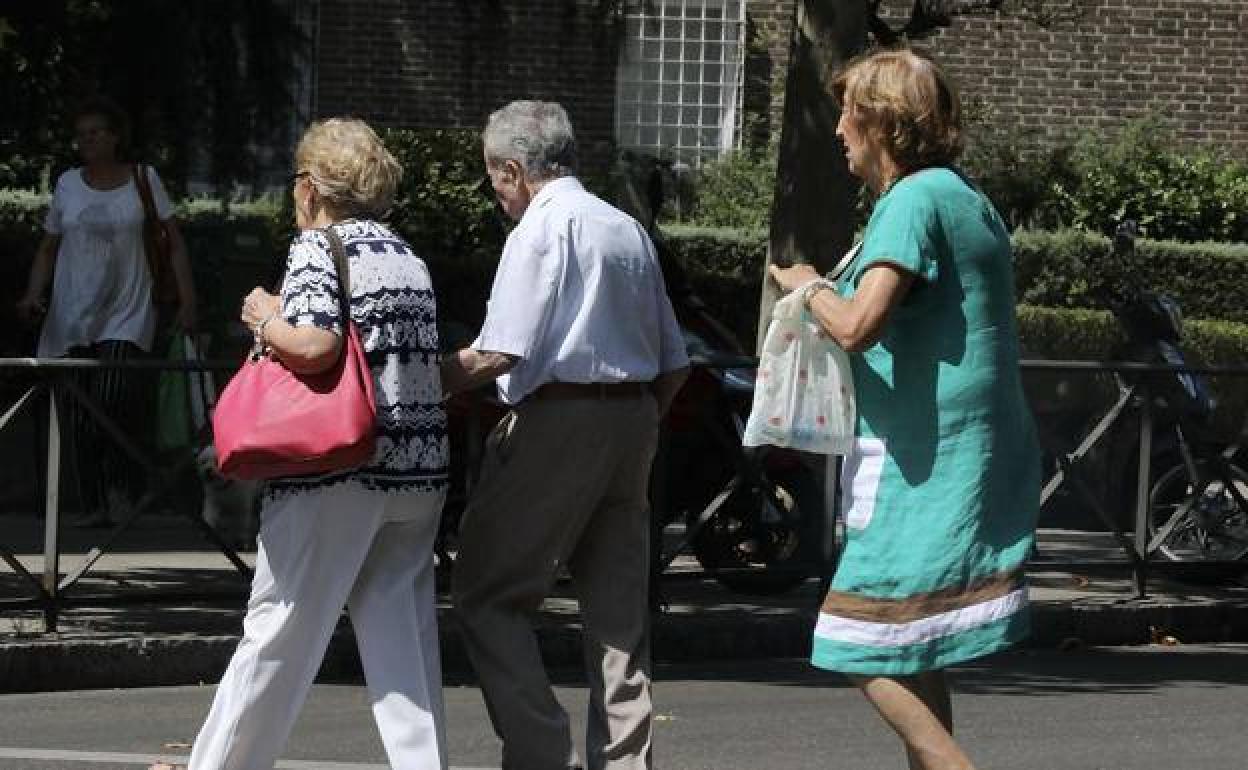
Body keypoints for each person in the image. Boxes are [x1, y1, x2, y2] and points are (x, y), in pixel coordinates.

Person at [769, 48, 1040, 770]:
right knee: (915, 644)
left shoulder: (912, 201)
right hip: (959, 454)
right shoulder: (963, 196)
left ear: (883, 122)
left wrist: (804, 286)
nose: (838, 131)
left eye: (849, 112)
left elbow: (861, 324)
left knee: (854, 637)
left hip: (924, 462)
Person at [153, 118, 451, 770]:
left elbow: (315, 348)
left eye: (296, 182)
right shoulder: (408, 257)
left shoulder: (318, 247)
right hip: (418, 475)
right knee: (406, 645)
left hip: (335, 474)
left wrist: (265, 315)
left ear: (311, 187)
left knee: (277, 631)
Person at [442, 100, 690, 770]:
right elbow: (676, 360)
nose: (495, 191)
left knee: (488, 594)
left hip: (559, 418)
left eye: (494, 177)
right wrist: (638, 421)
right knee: (617, 620)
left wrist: (415, 381)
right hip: (633, 416)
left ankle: (542, 753)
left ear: (515, 170)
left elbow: (500, 352)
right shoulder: (625, 228)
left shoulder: (540, 229)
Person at [16, 96, 197, 527]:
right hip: (72, 312)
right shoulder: (67, 184)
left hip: (128, 309)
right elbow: (49, 246)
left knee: (113, 398)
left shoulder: (143, 179)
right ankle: (96, 503)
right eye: (81, 134)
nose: (88, 140)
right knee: (78, 411)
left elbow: (172, 242)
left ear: (116, 136)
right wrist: (31, 293)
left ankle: (125, 490)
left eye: (96, 131)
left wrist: (188, 301)